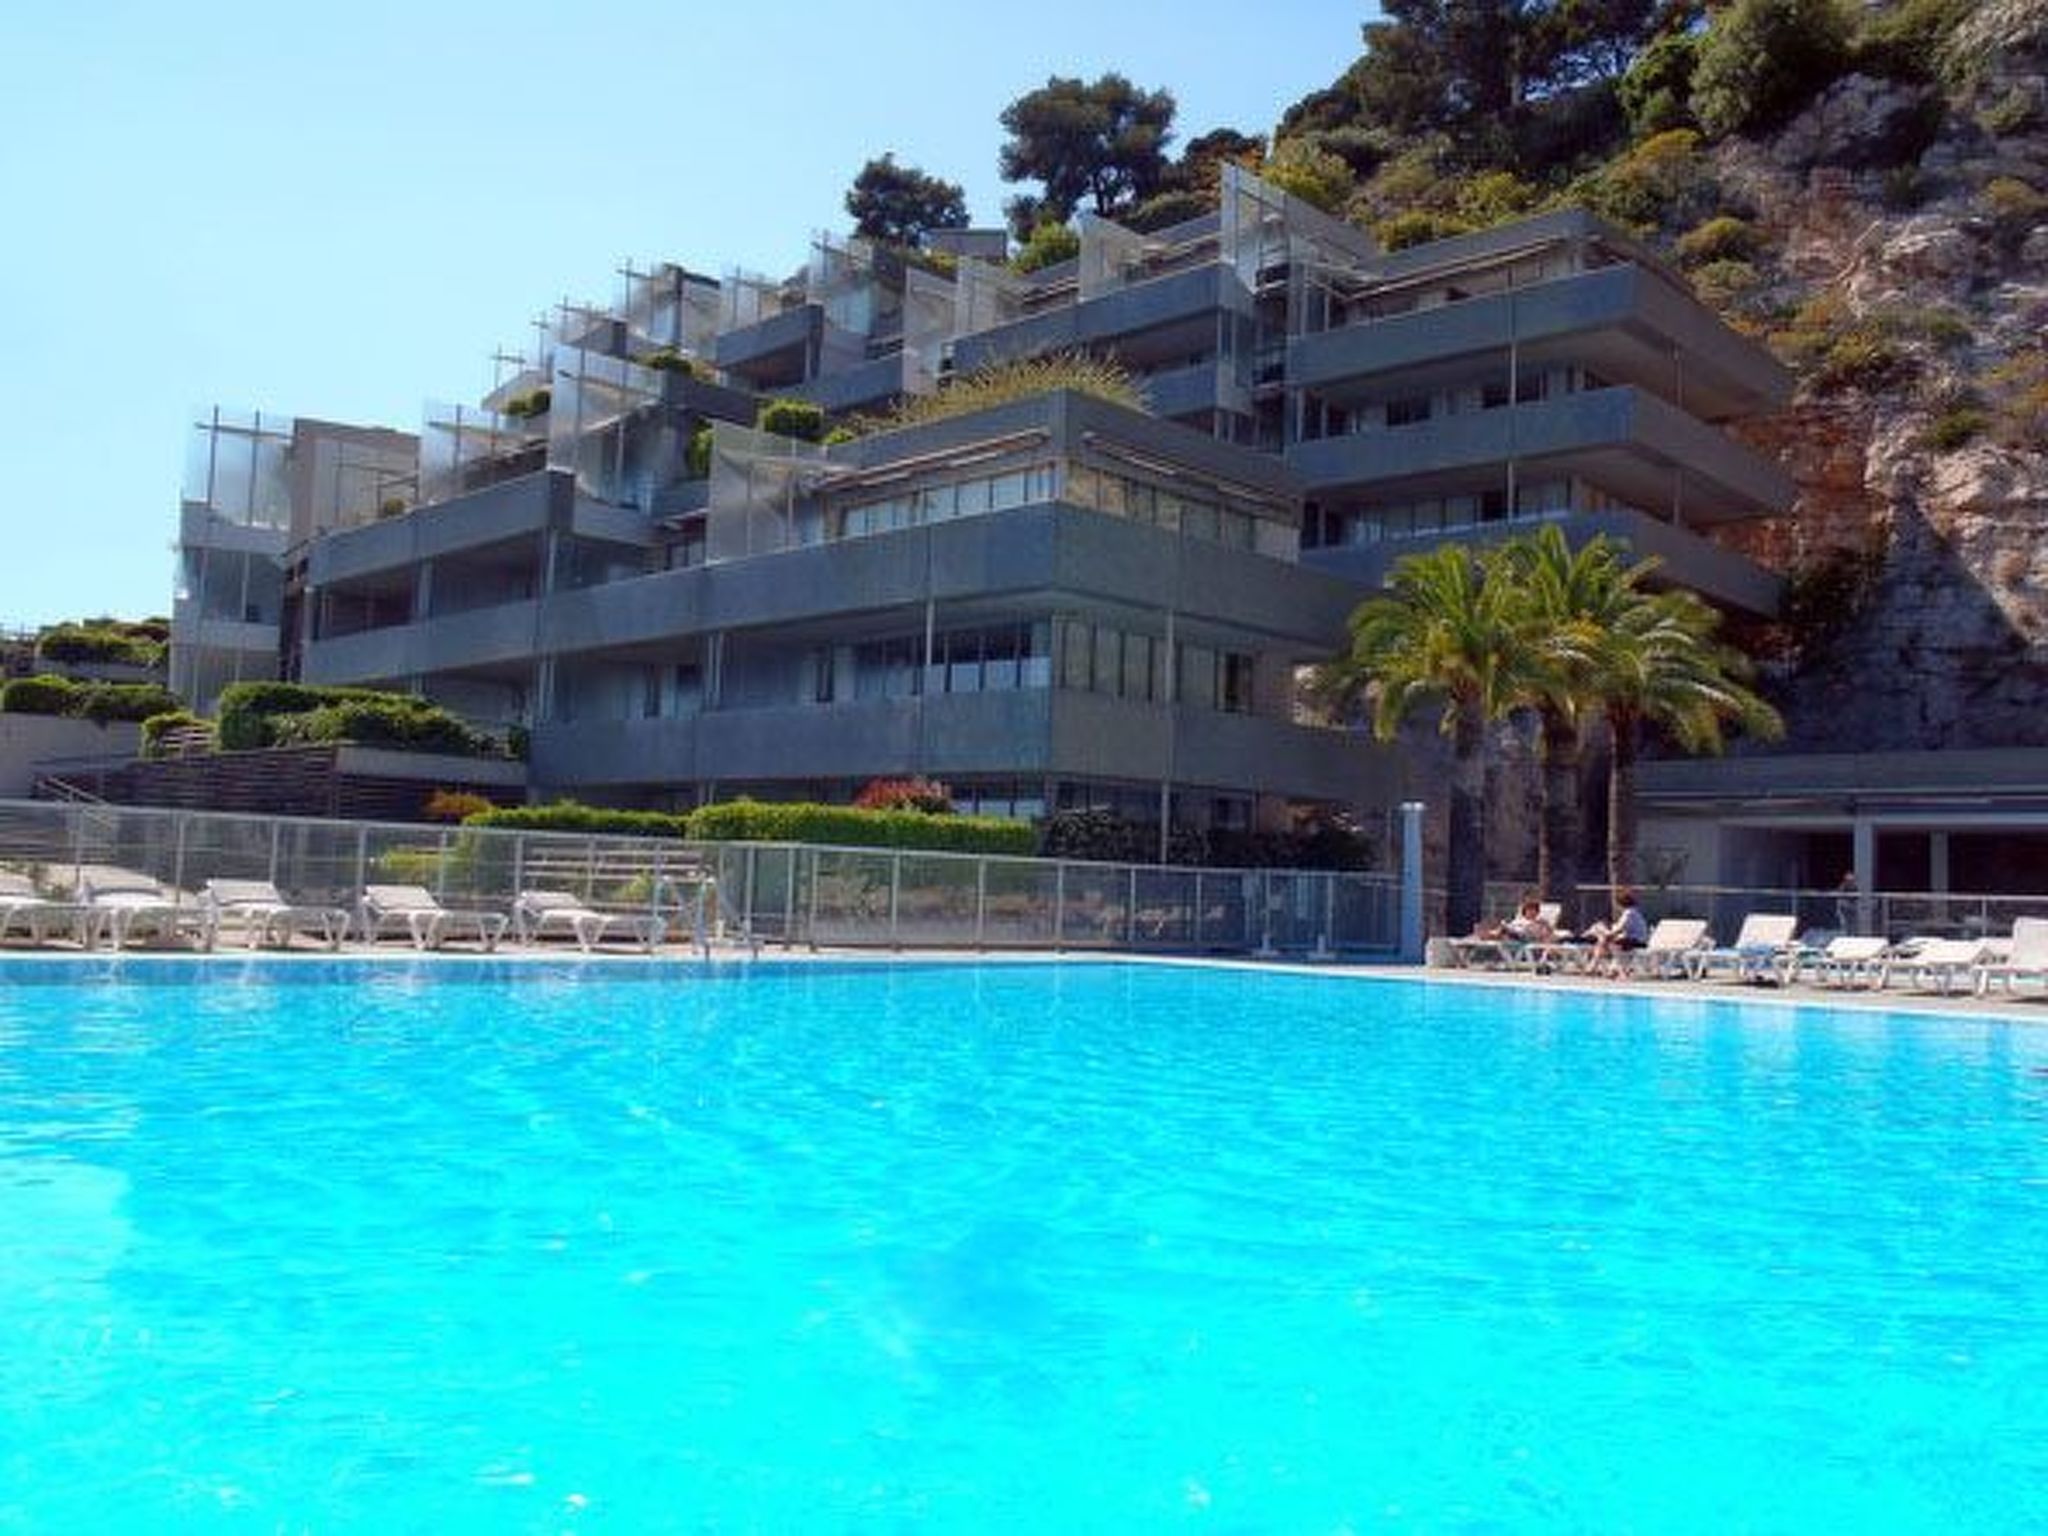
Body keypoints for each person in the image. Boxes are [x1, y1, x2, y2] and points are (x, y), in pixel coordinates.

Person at [1585, 889, 1649, 975]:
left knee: (1603, 939)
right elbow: (1620, 931)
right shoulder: (1633, 912)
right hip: (1635, 940)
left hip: (1636, 942)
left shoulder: (1629, 913)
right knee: (1603, 939)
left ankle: (1595, 967)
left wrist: (1601, 930)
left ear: (1620, 904)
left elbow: (1617, 931)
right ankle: (1607, 968)